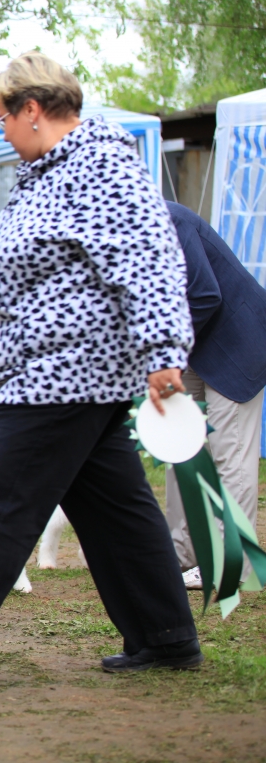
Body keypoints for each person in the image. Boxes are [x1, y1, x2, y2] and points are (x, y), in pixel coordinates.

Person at [0, 52, 200, 685]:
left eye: (2, 115)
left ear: (33, 110)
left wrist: (164, 353)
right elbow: (23, 279)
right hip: (48, 372)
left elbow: (150, 258)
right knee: (117, 509)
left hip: (65, 372)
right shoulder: (44, 173)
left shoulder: (101, 166)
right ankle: (166, 635)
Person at [164, 201, 266, 588]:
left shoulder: (167, 218)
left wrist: (166, 355)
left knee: (229, 455)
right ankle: (182, 552)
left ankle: (231, 565)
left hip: (236, 346)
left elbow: (205, 293)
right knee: (181, 448)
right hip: (193, 349)